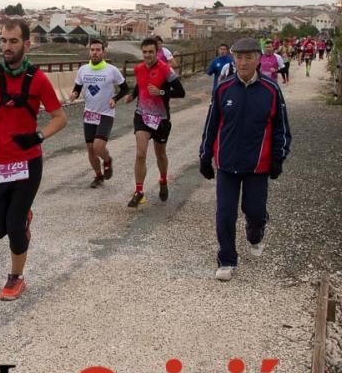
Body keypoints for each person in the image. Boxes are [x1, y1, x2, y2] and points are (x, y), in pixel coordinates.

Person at [0, 20, 67, 301]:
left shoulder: (37, 79)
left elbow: (61, 118)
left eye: (13, 41)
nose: (7, 47)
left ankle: (16, 278)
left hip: (28, 163)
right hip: (1, 164)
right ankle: (23, 218)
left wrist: (38, 137)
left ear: (27, 44)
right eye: (3, 41)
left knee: (13, 227)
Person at [198, 38, 291, 282]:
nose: (244, 62)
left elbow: (281, 126)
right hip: (227, 163)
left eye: (249, 57)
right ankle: (227, 259)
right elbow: (211, 124)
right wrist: (205, 156)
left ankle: (255, 232)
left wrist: (278, 157)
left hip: (257, 165)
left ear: (259, 59)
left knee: (255, 211)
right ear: (233, 59)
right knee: (225, 213)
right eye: (239, 57)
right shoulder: (223, 88)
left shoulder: (271, 90)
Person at [122, 37, 186, 207]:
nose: (147, 55)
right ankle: (139, 192)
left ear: (156, 52)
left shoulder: (166, 70)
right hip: (142, 115)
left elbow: (181, 92)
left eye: (151, 52)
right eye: (144, 52)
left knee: (160, 154)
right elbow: (140, 85)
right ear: (141, 52)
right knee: (140, 154)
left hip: (161, 118)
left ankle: (163, 180)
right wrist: (132, 95)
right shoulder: (139, 68)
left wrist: (162, 92)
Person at [69, 39, 128, 188]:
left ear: (103, 52)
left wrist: (115, 99)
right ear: (89, 52)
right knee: (90, 148)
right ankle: (98, 175)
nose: (95, 52)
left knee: (98, 146)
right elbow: (77, 86)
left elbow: (125, 88)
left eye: (98, 50)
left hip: (106, 113)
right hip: (89, 113)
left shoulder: (111, 70)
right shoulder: (83, 69)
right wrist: (74, 94)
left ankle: (107, 160)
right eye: (92, 50)